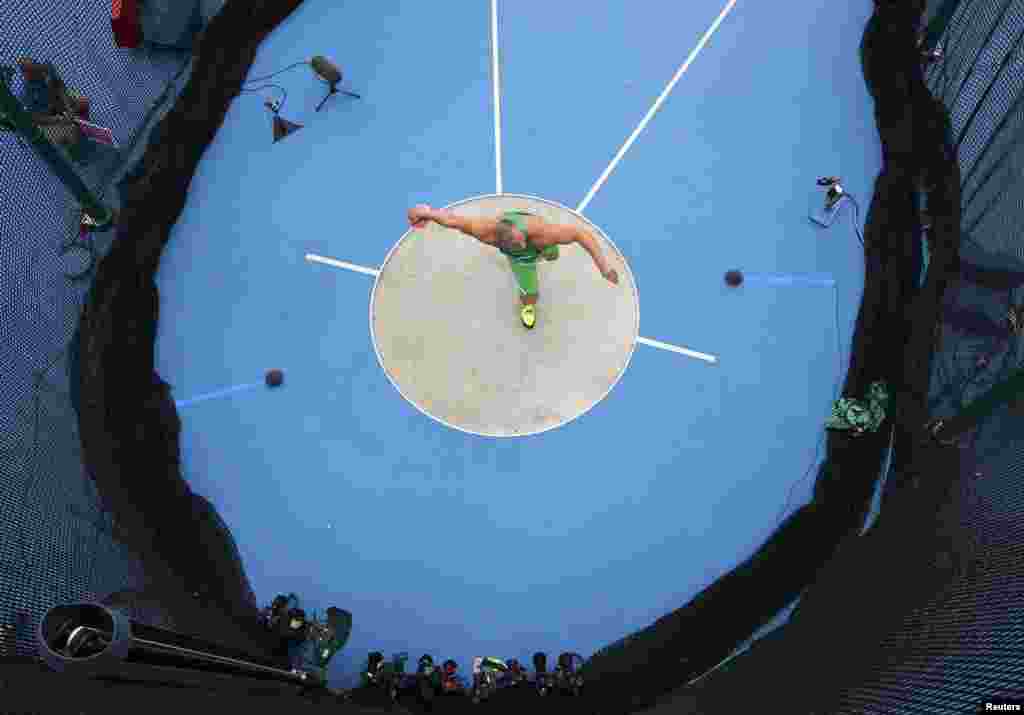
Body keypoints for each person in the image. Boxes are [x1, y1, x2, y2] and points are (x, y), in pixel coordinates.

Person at [407, 204, 619, 329]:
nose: (522, 244)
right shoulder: (483, 231)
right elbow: (451, 221)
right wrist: (428, 214)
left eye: (521, 240)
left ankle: (545, 252)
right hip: (521, 260)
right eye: (517, 244)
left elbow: (581, 234)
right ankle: (528, 304)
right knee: (531, 294)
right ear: (499, 242)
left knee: (552, 253)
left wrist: (604, 268)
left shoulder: (540, 233)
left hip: (538, 237)